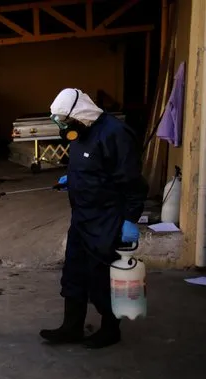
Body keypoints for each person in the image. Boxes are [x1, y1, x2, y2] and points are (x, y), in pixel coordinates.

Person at [40, 88, 148, 349]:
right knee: (74, 274)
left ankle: (110, 330)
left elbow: (132, 182)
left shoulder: (115, 134)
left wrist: (130, 219)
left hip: (106, 219)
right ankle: (71, 327)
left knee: (102, 277)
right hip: (81, 217)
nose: (64, 126)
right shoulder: (81, 133)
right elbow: (89, 167)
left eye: (65, 120)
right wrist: (73, 181)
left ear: (80, 114)